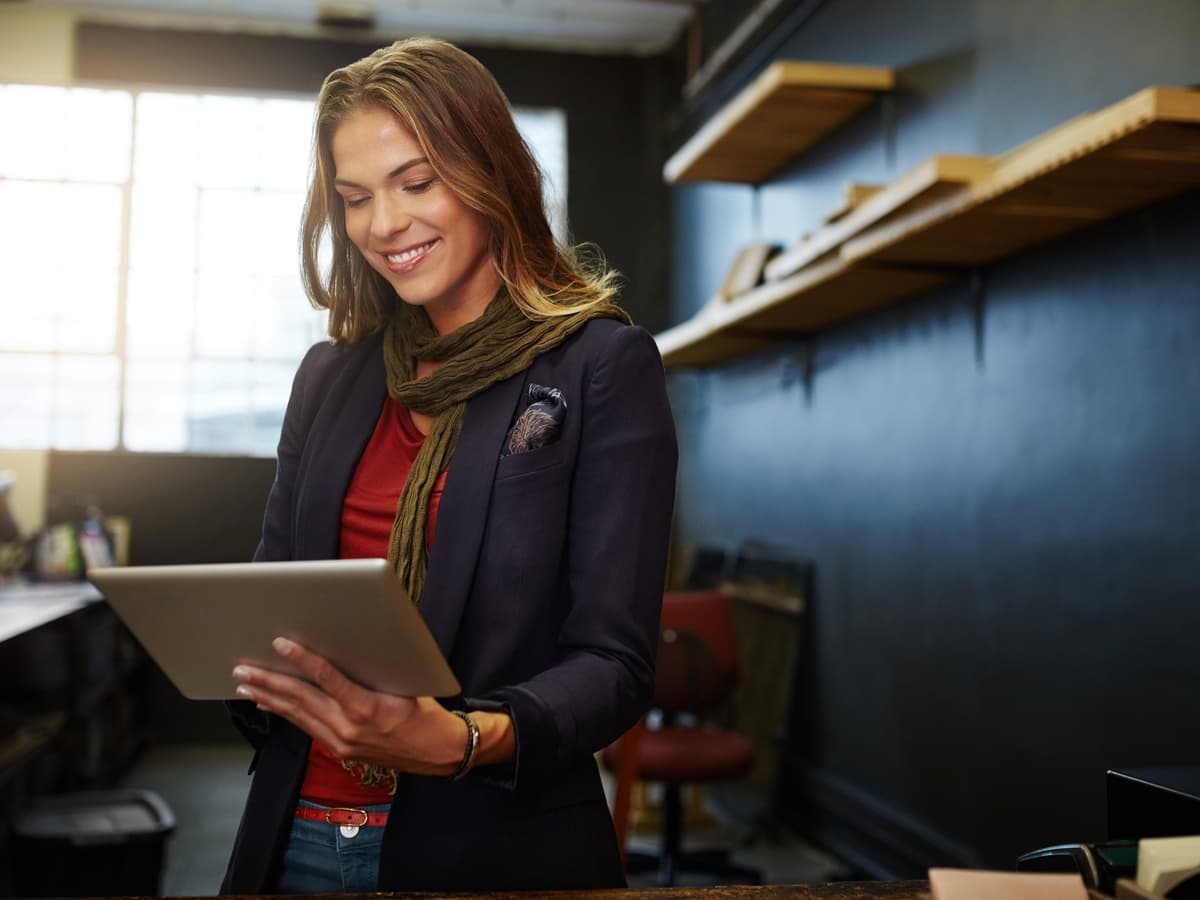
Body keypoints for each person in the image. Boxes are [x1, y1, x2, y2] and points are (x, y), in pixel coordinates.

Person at [219, 36, 677, 894]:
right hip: (294, 835)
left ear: (492, 173)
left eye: (417, 183)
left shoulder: (600, 367)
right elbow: (272, 589)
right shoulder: (331, 379)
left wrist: (461, 739)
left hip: (490, 846)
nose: (383, 226)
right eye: (355, 198)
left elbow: (613, 665)